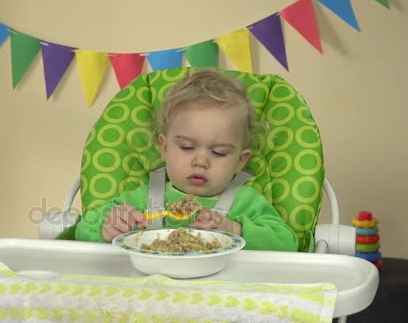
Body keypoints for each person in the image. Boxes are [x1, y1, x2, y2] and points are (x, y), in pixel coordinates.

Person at [75, 69, 298, 251]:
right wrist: (107, 228)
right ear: (164, 148)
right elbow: (83, 230)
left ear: (241, 161)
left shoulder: (247, 202)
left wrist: (236, 229)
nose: (201, 161)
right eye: (187, 147)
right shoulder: (142, 199)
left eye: (219, 152)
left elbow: (286, 244)